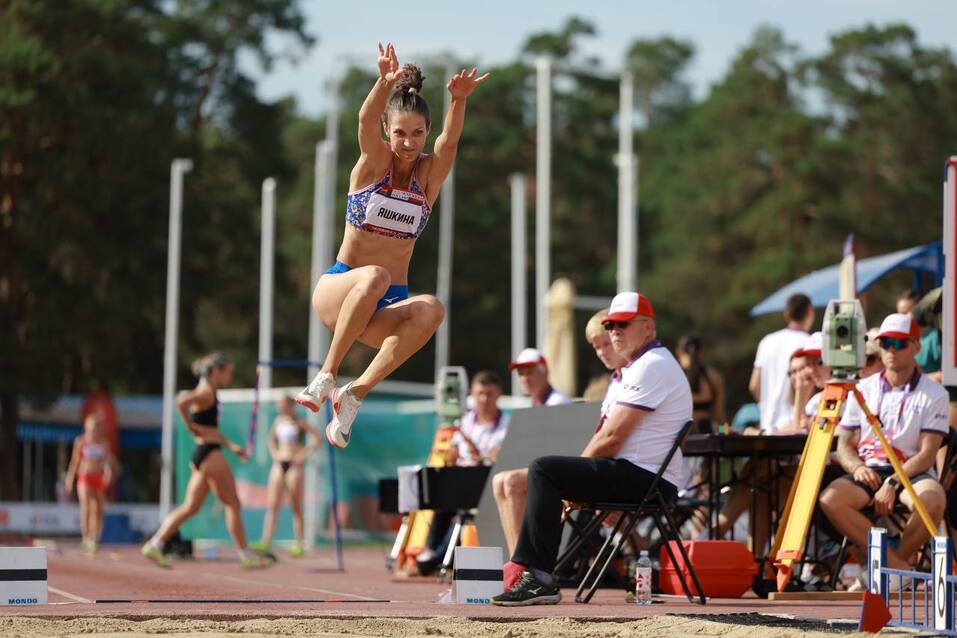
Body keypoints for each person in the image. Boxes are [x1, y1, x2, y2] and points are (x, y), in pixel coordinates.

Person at [294, 43, 489, 450]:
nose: (408, 142)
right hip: (342, 287)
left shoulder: (428, 179)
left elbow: (449, 145)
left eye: (418, 133)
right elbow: (364, 119)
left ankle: (354, 394)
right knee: (376, 276)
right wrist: (384, 82)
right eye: (400, 133)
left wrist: (458, 101)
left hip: (383, 307)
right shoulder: (372, 164)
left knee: (433, 308)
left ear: (426, 132)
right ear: (388, 131)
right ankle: (327, 373)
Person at [492, 292, 692, 606]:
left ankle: (537, 576)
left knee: (545, 470)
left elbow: (612, 437)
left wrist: (576, 480)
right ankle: (530, 570)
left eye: (624, 325)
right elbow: (611, 437)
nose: (615, 332)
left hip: (646, 480)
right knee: (543, 471)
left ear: (649, 328)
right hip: (641, 474)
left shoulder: (651, 365)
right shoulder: (641, 365)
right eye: (611, 325)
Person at [819, 313, 948, 583]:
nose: (891, 349)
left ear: (916, 347)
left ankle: (891, 570)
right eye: (886, 342)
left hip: (910, 470)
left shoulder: (935, 394)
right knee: (829, 499)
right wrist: (856, 467)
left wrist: (892, 481)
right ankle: (899, 569)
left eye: (899, 343)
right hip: (870, 468)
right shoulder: (861, 388)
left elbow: (926, 454)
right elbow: (844, 442)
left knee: (934, 499)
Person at [493, 311, 625, 563]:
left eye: (529, 371)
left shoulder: (558, 402)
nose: (524, 377)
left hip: (592, 468)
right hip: (585, 465)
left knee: (511, 481)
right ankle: (518, 563)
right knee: (502, 480)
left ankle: (524, 566)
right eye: (520, 372)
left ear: (544, 371)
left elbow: (610, 438)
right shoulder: (617, 381)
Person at [142, 353, 271, 570]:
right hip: (210, 455)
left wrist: (232, 447)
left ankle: (155, 544)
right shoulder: (205, 391)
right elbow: (181, 402)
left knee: (191, 507)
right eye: (228, 372)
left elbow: (211, 430)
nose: (229, 378)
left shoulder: (210, 392)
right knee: (233, 503)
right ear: (216, 371)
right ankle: (246, 554)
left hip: (205, 453)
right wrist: (189, 427)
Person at [414, 371, 510, 575]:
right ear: (472, 394)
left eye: (489, 394)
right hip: (461, 480)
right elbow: (454, 454)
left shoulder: (507, 425)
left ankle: (438, 557)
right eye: (480, 393)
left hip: (486, 484)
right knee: (440, 501)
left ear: (498, 394)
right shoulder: (465, 422)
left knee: (462, 512)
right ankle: (431, 550)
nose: (484, 399)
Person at [254, 396, 322, 558]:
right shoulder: (278, 421)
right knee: (272, 504)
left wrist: (303, 455)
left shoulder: (299, 422)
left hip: (294, 464)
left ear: (291, 406)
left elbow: (318, 439)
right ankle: (266, 541)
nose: (281, 409)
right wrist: (274, 453)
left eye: (283, 405)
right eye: (279, 406)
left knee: (295, 505)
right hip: (279, 463)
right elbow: (270, 439)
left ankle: (299, 543)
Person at [749, 293, 814, 434]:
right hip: (795, 425)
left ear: (787, 314)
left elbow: (754, 385)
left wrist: (768, 405)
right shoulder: (809, 344)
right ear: (810, 312)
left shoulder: (766, 341)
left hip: (767, 424)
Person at [65, 414, 119, 554]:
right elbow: (75, 461)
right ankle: (86, 537)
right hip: (84, 477)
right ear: (86, 427)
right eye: (92, 428)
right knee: (86, 506)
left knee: (98, 509)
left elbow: (107, 461)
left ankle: (94, 538)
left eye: (97, 428)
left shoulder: (103, 443)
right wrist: (70, 479)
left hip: (98, 478)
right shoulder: (81, 442)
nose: (94, 431)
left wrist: (108, 472)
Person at [675, 335, 726, 434]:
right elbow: (719, 418)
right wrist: (725, 430)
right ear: (701, 352)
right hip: (707, 434)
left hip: (680, 435)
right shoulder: (713, 377)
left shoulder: (673, 376)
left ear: (679, 351)